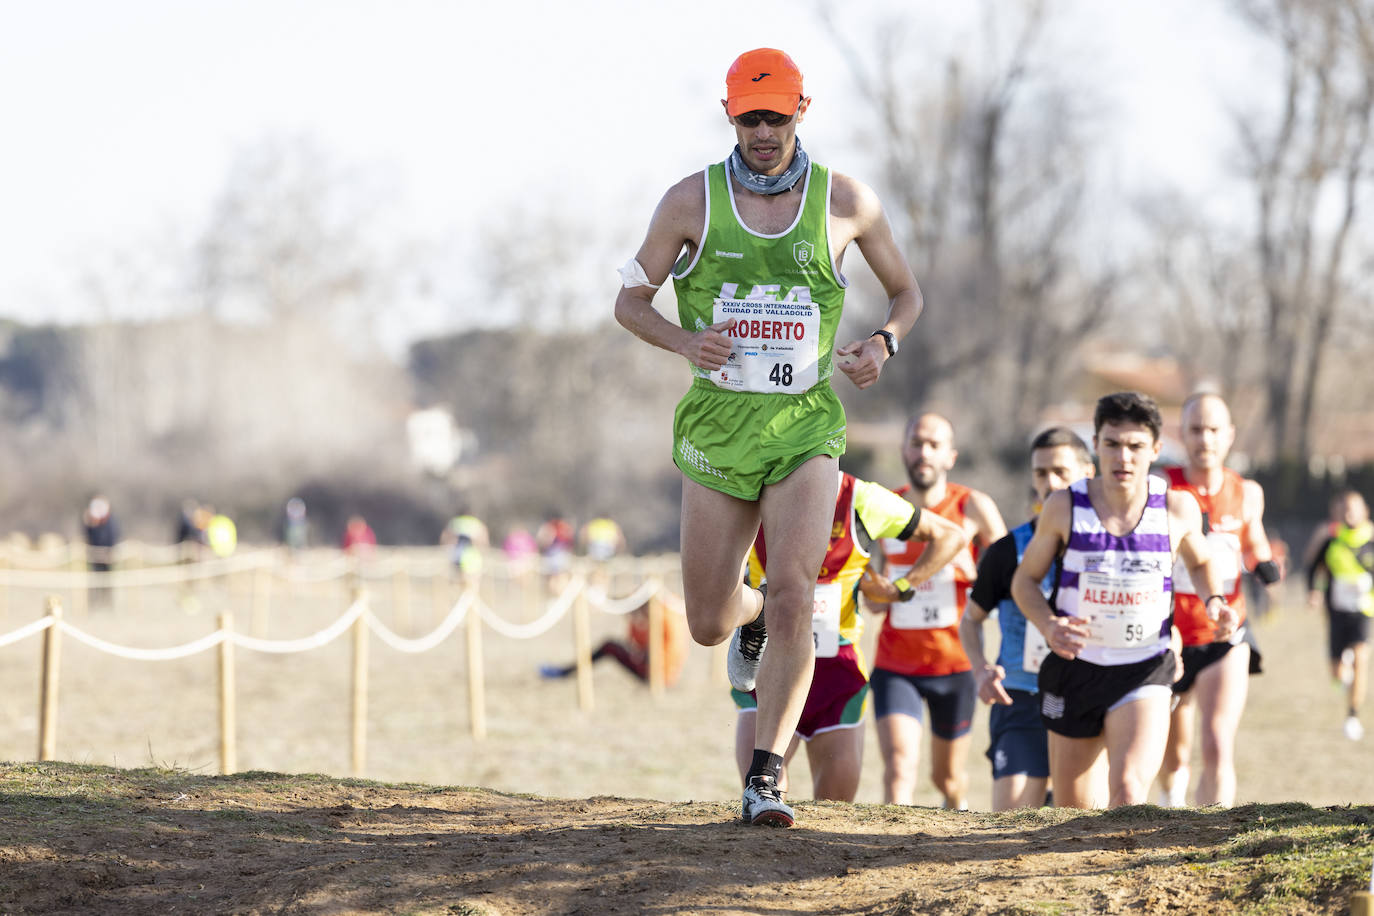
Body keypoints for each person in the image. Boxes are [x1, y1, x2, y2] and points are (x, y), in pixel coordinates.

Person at [613, 47, 922, 826]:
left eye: (775, 118)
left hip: (805, 428)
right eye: (749, 118)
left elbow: (907, 292)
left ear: (800, 112)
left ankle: (766, 779)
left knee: (796, 591)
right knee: (711, 620)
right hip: (720, 429)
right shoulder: (690, 201)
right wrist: (686, 343)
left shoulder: (846, 200)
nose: (762, 132)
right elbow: (629, 301)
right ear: (729, 115)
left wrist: (881, 344)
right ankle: (748, 621)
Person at [1011, 391, 1237, 809]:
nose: (1123, 458)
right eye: (1112, 444)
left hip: (1144, 668)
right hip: (1076, 668)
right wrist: (1048, 625)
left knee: (1129, 792)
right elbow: (1024, 582)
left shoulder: (1175, 507)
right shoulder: (1064, 507)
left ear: (1155, 449)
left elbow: (1203, 562)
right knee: (1073, 815)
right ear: (1095, 445)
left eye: (1135, 446)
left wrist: (1215, 602)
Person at [732, 469, 968, 804]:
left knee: (834, 809)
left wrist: (900, 587)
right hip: (769, 666)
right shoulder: (752, 489)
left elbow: (950, 535)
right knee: (764, 800)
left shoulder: (862, 498)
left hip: (837, 675)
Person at [868, 413, 1007, 808]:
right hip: (896, 665)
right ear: (904, 451)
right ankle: (887, 855)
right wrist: (887, 592)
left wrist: (969, 571)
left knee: (946, 779)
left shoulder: (973, 507)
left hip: (956, 666)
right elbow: (874, 600)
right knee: (898, 768)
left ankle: (953, 829)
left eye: (934, 445)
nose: (923, 452)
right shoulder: (886, 508)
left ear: (951, 456)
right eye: (916, 443)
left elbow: (1007, 579)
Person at [960, 427, 1098, 811]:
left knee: (1086, 819)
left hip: (1089, 692)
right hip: (1021, 697)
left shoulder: (1108, 547)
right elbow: (970, 621)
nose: (1049, 482)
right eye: (1040, 473)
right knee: (1011, 817)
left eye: (1060, 471)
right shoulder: (1006, 551)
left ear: (1087, 472)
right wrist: (980, 669)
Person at [1157, 392, 1280, 807]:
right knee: (1171, 753)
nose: (1204, 439)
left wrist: (1265, 565)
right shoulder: (1160, 487)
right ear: (1181, 435)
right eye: (1195, 429)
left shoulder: (1247, 492)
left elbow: (1254, 542)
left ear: (1229, 436)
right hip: (1168, 632)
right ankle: (1173, 802)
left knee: (1216, 742)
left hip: (1225, 629)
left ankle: (1210, 837)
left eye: (1213, 430)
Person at [1306, 489, 1374, 741]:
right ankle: (1343, 674)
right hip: (1336, 611)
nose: (1349, 512)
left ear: (1365, 511)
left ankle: (1353, 715)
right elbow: (1313, 568)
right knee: (1337, 672)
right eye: (1345, 508)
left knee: (1361, 658)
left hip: (1364, 610)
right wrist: (1312, 591)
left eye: (1354, 507)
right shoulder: (1331, 539)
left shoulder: (1370, 540)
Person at [540, 601, 687, 687]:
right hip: (664, 672)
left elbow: (653, 653)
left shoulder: (662, 619)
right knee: (610, 646)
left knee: (609, 646)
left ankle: (565, 672)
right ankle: (566, 671)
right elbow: (635, 646)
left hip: (659, 674)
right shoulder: (659, 615)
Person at [82, 495, 120, 608]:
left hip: (107, 555)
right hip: (94, 555)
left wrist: (110, 550)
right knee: (94, 579)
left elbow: (113, 536)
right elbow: (88, 536)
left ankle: (107, 602)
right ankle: (94, 602)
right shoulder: (92, 522)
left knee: (108, 580)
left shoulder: (111, 521)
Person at [441, 510, 489, 583]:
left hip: (457, 553)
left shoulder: (455, 521)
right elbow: (483, 535)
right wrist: (484, 547)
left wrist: (446, 545)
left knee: (459, 575)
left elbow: (445, 535)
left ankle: (461, 589)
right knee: (473, 576)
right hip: (473, 554)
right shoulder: (475, 522)